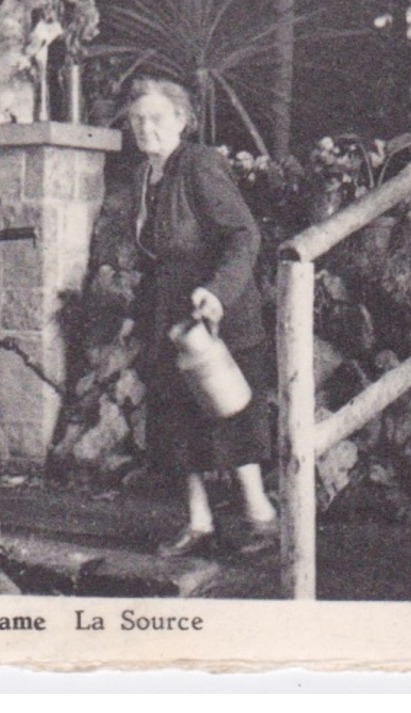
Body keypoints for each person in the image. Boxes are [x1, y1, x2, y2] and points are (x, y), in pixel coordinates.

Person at [122, 76, 280, 558]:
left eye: (157, 119)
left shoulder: (199, 166)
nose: (147, 128)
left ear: (182, 121)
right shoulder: (145, 176)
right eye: (138, 121)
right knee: (174, 422)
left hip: (218, 318)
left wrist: (217, 293)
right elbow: (153, 257)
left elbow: (243, 235)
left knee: (228, 415)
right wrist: (136, 314)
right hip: (170, 317)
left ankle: (263, 520)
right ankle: (199, 523)